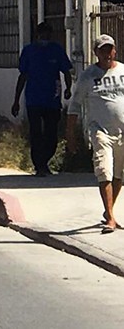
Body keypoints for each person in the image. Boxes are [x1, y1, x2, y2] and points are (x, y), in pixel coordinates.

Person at [67, 34, 124, 233]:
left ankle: (109, 210)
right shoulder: (88, 76)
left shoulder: (123, 71)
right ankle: (110, 217)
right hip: (100, 130)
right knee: (104, 170)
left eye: (110, 49)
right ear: (96, 53)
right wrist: (71, 136)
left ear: (115, 51)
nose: (107, 54)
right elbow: (74, 107)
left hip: (122, 132)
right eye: (103, 50)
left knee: (118, 174)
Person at [11, 22, 74, 177]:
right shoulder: (29, 51)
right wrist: (16, 100)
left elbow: (66, 71)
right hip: (33, 100)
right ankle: (39, 166)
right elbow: (23, 76)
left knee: (51, 134)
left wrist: (68, 88)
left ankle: (44, 161)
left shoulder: (56, 50)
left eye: (47, 35)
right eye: (41, 35)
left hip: (52, 100)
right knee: (36, 133)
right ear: (37, 35)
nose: (44, 38)